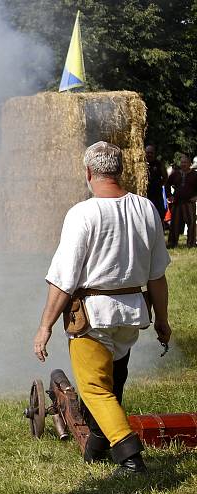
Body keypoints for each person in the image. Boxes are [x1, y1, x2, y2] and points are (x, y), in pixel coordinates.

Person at [33, 141, 171, 475]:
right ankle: (96, 445)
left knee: (95, 389)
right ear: (120, 170)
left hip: (93, 316)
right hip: (132, 313)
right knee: (114, 381)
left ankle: (129, 457)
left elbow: (64, 279)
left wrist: (45, 326)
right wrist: (162, 320)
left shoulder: (83, 213)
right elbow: (157, 276)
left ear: (89, 172)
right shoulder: (146, 208)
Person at [166, 154, 197, 248]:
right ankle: (172, 243)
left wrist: (196, 196)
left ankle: (191, 243)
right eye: (182, 162)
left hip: (189, 202)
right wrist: (169, 196)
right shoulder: (175, 174)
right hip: (177, 202)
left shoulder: (194, 175)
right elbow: (167, 184)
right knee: (175, 223)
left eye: (185, 162)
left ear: (190, 164)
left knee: (191, 223)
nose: (183, 164)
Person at [144, 145, 169, 223]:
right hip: (145, 194)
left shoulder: (159, 164)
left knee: (159, 214)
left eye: (151, 153)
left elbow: (165, 177)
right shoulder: (141, 164)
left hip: (156, 194)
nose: (149, 155)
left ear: (154, 154)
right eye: (147, 153)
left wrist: (160, 184)